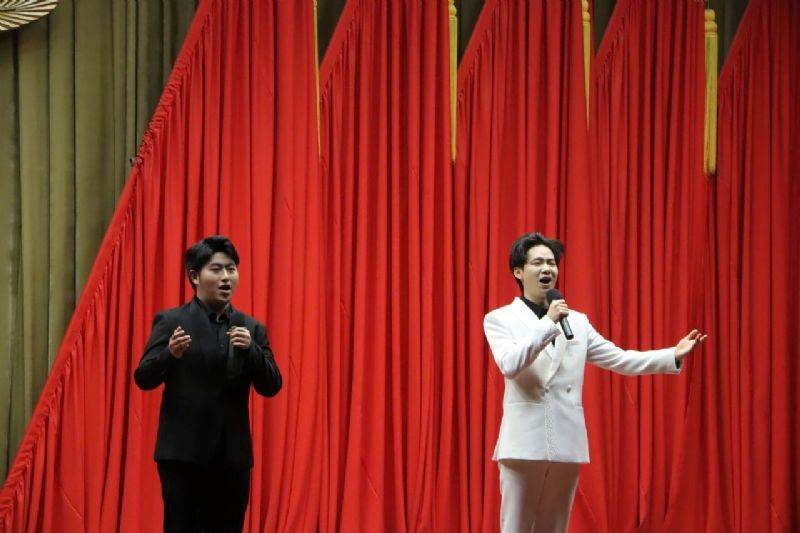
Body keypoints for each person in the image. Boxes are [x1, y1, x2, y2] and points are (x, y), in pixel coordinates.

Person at [483, 232, 706, 533]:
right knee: (516, 528)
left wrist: (671, 355)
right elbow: (510, 365)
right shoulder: (500, 319)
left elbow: (620, 359)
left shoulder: (577, 322)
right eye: (538, 263)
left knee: (554, 527)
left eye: (552, 262)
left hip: (566, 441)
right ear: (518, 272)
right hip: (523, 443)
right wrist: (547, 323)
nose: (547, 269)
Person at [134, 235, 282, 532]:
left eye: (231, 269)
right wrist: (170, 354)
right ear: (194, 276)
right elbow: (143, 377)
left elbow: (272, 385)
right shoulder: (171, 321)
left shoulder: (251, 328)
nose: (226, 277)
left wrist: (252, 351)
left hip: (232, 457)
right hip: (182, 456)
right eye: (216, 269)